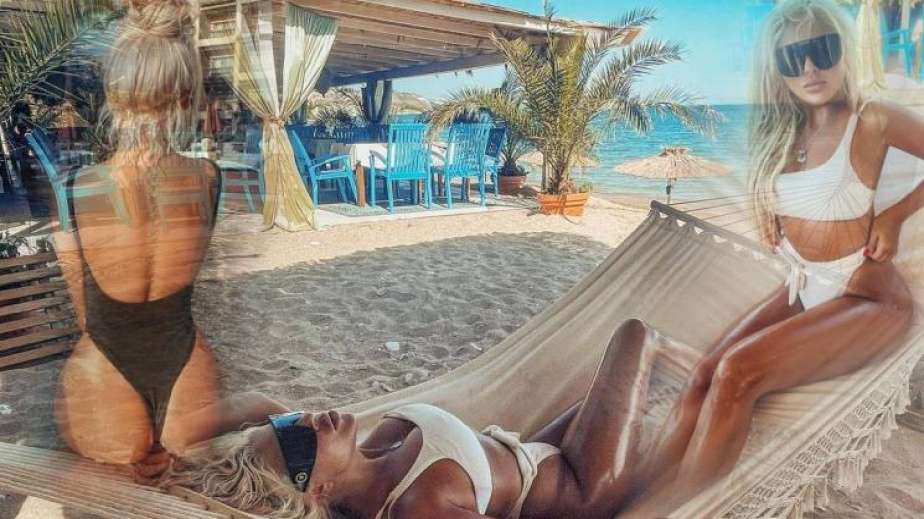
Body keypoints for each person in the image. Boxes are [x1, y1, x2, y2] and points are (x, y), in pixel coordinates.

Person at [622, 0, 924, 515]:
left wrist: (895, 216)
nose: (808, 68)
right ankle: (633, 496)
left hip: (869, 298)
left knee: (736, 372)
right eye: (791, 58)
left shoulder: (871, 118)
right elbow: (792, 200)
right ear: (776, 70)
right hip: (804, 287)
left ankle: (677, 510)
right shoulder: (785, 132)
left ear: (844, 51)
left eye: (822, 50)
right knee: (704, 373)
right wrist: (771, 214)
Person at [162, 320, 664, 519]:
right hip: (578, 488)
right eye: (297, 443)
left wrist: (160, 441)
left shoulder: (339, 448)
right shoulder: (415, 509)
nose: (305, 422)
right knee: (635, 337)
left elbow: (252, 403)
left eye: (287, 423)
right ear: (315, 492)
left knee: (640, 386)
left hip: (533, 450)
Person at [53, 0, 223, 477]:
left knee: (112, 486)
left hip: (103, 373)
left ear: (115, 94)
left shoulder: (76, 188)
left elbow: (86, 312)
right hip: (189, 367)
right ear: (186, 96)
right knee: (188, 479)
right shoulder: (209, 178)